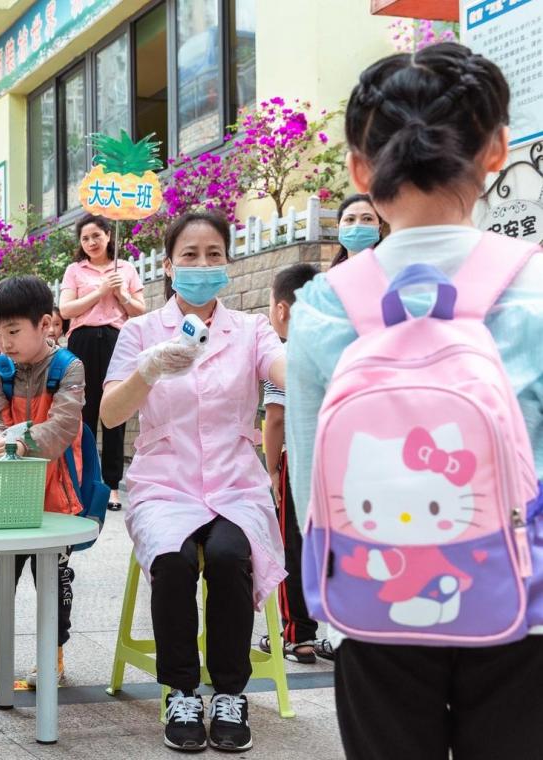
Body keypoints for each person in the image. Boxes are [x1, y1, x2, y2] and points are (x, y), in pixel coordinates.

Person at [286, 43, 543, 759]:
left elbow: (312, 481)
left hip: (374, 604)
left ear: (361, 170)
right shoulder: (535, 289)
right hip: (525, 608)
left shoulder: (323, 306)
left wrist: (331, 615)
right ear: (495, 150)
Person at [100, 211, 287, 753]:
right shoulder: (139, 332)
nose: (202, 265)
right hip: (165, 482)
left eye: (213, 255)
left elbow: (281, 367)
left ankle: (230, 694)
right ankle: (181, 690)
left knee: (230, 557)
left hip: (234, 483)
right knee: (174, 561)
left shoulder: (251, 329)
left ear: (226, 263)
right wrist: (149, 369)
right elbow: (111, 414)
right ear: (168, 265)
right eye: (190, 255)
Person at [0, 276, 84, 686]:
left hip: (58, 492)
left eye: (13, 332)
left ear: (46, 324)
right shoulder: (0, 370)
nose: (4, 343)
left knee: (54, 577)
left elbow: (64, 425)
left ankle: (52, 652)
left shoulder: (69, 367)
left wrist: (14, 441)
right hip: (10, 495)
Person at [257, 263, 328, 664]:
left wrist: (270, 470)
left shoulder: (282, 354)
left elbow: (276, 417)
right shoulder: (339, 347)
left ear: (282, 309)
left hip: (299, 462)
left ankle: (297, 635)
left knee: (293, 548)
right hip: (339, 462)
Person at [59, 214, 146, 511]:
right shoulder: (74, 270)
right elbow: (65, 308)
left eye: (96, 236)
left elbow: (139, 312)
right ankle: (80, 481)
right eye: (85, 238)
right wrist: (99, 292)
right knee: (83, 412)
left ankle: (111, 486)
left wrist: (121, 294)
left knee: (114, 412)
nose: (91, 243)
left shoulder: (126, 269)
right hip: (81, 341)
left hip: (115, 341)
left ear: (109, 235)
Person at [330, 193, 385, 267]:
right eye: (350, 219)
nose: (357, 225)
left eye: (367, 219)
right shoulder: (331, 275)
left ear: (380, 228)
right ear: (338, 228)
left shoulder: (393, 270)